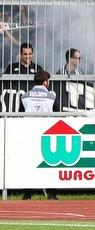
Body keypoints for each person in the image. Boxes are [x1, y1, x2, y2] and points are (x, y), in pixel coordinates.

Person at [19, 69, 59, 200]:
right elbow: (57, 114)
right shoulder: (51, 96)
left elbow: (19, 113)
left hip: (29, 133)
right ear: (45, 83)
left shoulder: (24, 96)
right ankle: (52, 194)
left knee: (29, 163)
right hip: (46, 133)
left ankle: (27, 194)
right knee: (50, 163)